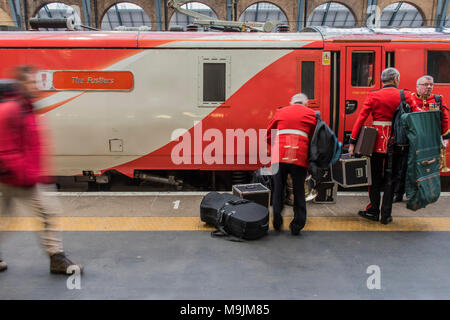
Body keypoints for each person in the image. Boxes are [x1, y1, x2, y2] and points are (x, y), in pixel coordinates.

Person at [0, 65, 82, 274]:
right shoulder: (11, 110)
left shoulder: (28, 108)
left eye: (35, 81)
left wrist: (41, 173)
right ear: (21, 84)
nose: (34, 85)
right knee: (49, 211)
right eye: (30, 82)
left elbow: (32, 145)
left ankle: (56, 258)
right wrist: (23, 174)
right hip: (16, 178)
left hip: (21, 177)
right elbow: (4, 147)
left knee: (5, 218)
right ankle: (57, 258)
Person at [349, 68, 412, 225]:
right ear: (396, 79)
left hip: (375, 143)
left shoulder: (373, 95)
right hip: (397, 141)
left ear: (382, 80)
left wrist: (352, 141)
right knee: (391, 178)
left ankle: (373, 210)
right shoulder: (405, 95)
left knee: (374, 177)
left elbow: (361, 119)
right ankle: (386, 214)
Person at [392, 75, 450, 202]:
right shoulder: (410, 98)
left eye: (431, 85)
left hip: (429, 141)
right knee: (405, 167)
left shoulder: (438, 99)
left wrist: (445, 138)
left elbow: (445, 119)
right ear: (417, 86)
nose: (429, 87)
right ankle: (399, 193)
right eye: (425, 85)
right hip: (411, 141)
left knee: (426, 169)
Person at [266, 93, 317, 235]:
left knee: (278, 188)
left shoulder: (281, 111)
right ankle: (297, 225)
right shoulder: (311, 113)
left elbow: (269, 133)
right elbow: (314, 136)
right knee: (299, 189)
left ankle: (277, 221)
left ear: (291, 103)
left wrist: (273, 147)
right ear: (306, 103)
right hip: (299, 155)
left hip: (280, 155)